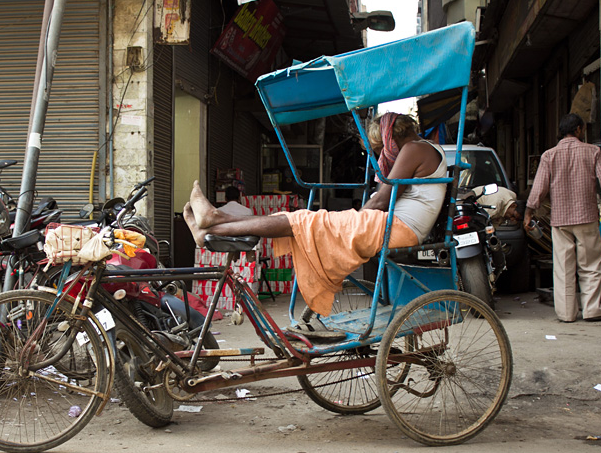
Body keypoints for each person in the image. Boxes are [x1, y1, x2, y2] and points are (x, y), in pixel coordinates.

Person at [183, 113, 447, 318]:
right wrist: (352, 218)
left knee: (301, 220)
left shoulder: (414, 148)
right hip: (394, 225)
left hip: (398, 228)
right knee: (297, 218)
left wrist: (353, 219)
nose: (383, 155)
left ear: (391, 138)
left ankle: (214, 223)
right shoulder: (423, 148)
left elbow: (381, 198)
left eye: (381, 149)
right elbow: (386, 198)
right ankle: (214, 220)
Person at [524, 113, 601, 323]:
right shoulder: (593, 151)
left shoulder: (549, 155)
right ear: (578, 129)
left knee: (563, 268)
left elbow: (539, 188)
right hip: (587, 216)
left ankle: (567, 313)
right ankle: (592, 309)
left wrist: (529, 212)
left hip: (560, 220)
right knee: (591, 265)